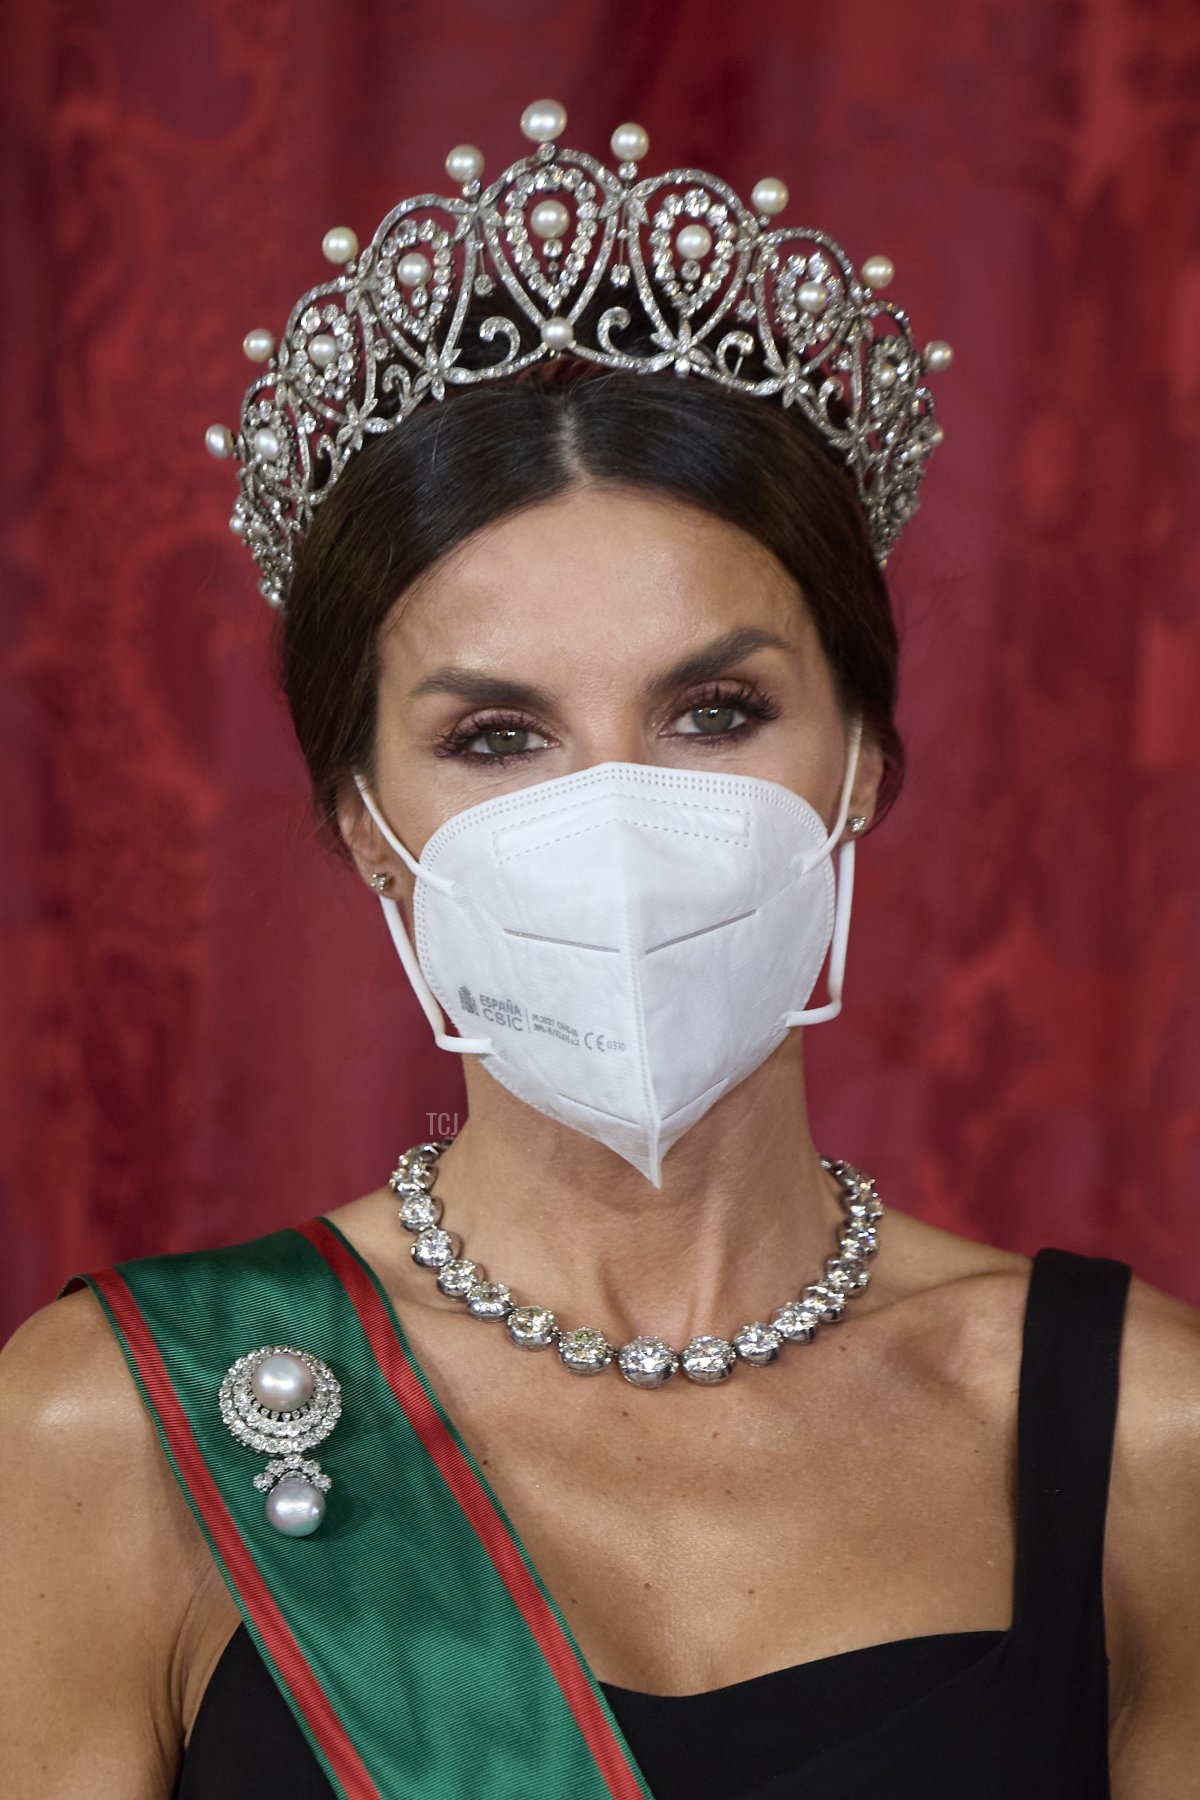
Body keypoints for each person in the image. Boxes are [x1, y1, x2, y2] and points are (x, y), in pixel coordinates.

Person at [1, 98, 1197, 1800]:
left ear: (862, 761)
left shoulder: (1146, 1438)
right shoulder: (116, 1432)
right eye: (499, 737)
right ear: (364, 823)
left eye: (716, 712)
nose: (619, 816)